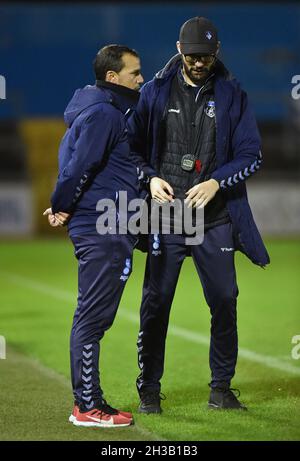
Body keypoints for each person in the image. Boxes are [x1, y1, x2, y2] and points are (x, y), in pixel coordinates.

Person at [127, 16, 270, 413]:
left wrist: (217, 183)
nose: (199, 62)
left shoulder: (233, 95)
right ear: (179, 50)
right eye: (192, 56)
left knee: (225, 299)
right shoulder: (154, 92)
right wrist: (151, 178)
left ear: (217, 53)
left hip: (216, 218)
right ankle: (150, 391)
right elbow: (130, 149)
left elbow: (251, 154)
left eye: (205, 56)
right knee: (156, 305)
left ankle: (221, 389)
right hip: (165, 219)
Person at [43, 44, 144, 427]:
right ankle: (86, 407)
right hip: (104, 227)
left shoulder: (93, 111)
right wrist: (62, 203)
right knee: (92, 318)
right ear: (113, 77)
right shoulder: (104, 113)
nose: (142, 79)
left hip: (106, 223)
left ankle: (90, 401)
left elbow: (74, 166)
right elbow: (79, 167)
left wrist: (61, 205)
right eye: (135, 73)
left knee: (93, 317)